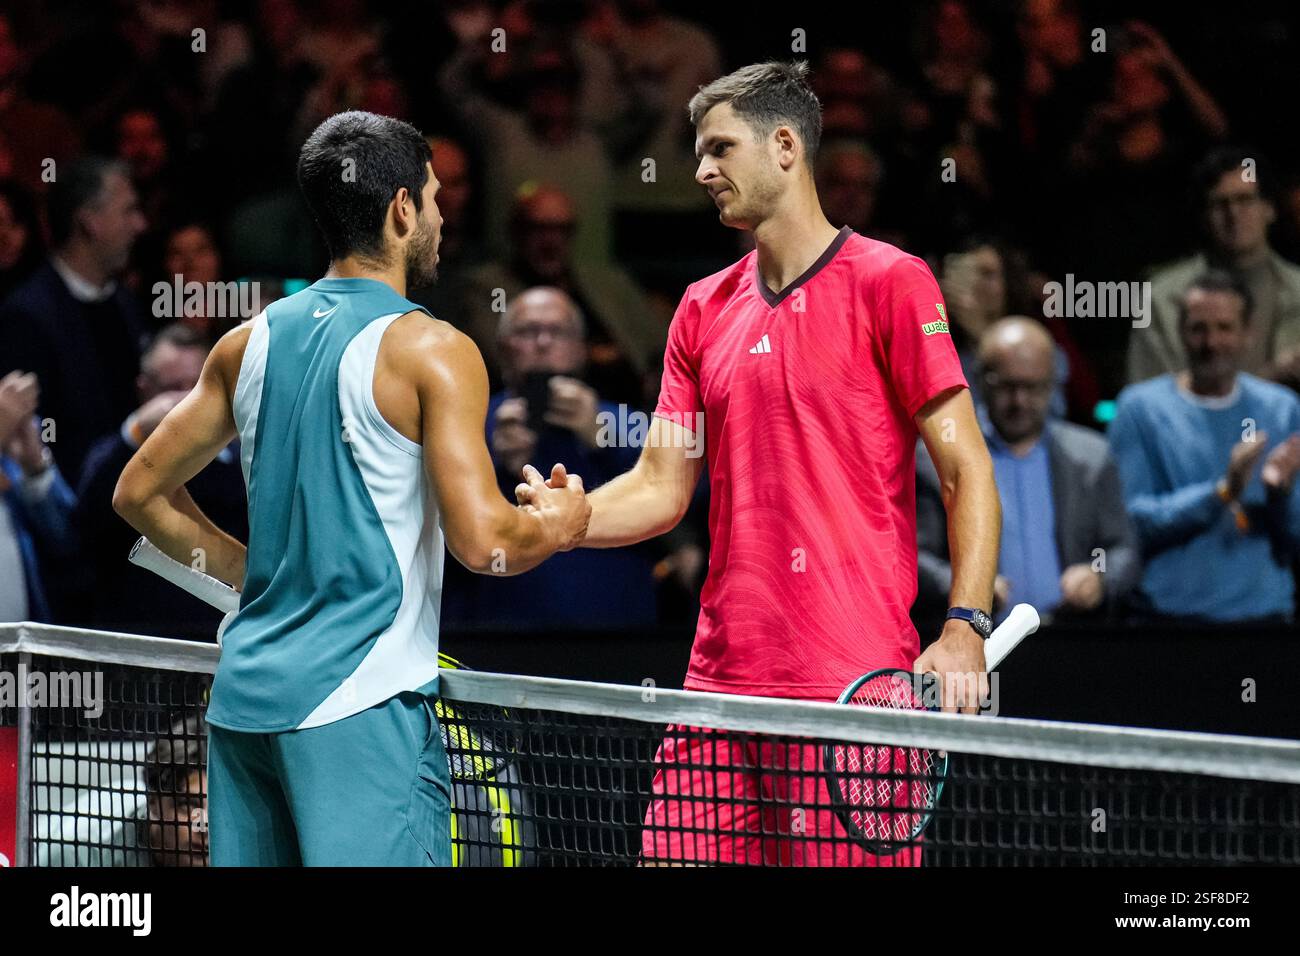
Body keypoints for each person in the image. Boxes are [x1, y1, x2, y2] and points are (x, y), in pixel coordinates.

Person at [518, 62, 1000, 866]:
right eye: (698, 152)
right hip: (718, 686)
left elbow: (965, 471)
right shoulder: (701, 308)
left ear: (784, 146)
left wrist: (964, 626)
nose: (702, 171)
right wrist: (574, 521)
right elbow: (661, 487)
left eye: (719, 149)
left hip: (851, 691)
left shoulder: (892, 281)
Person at [113, 110, 590, 867]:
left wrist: (250, 575)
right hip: (359, 708)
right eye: (432, 198)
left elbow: (138, 493)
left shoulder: (248, 341)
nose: (439, 216)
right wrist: (561, 522)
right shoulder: (434, 349)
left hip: (243, 711)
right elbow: (485, 542)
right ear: (402, 209)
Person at [445, 286, 655, 630]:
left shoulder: (624, 422)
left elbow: (686, 494)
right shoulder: (470, 424)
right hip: (500, 627)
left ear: (581, 348)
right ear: (502, 348)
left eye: (558, 331)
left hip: (618, 629)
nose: (542, 342)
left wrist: (606, 438)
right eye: (527, 331)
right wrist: (494, 463)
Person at [916, 318, 1140, 628]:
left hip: (1072, 639)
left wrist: (1098, 576)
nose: (1019, 401)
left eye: (1032, 387)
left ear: (1052, 384)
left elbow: (1121, 549)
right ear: (981, 382)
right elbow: (914, 557)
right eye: (1007, 386)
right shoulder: (940, 456)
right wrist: (969, 588)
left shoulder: (1091, 457)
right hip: (978, 642)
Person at [1110, 271, 1300, 623]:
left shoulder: (1281, 409)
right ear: (1181, 332)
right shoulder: (1141, 409)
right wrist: (1222, 492)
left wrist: (1280, 495)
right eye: (1199, 328)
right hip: (1169, 622)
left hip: (1264, 622)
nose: (1211, 342)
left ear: (1248, 333)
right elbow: (1130, 524)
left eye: (1225, 328)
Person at [76, 324, 246, 639]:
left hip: (219, 630)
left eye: (195, 387)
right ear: (144, 389)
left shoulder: (244, 455)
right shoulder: (113, 451)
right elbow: (84, 523)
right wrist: (134, 434)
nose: (183, 401)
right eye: (172, 387)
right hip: (136, 635)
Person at [0, 157, 149, 486]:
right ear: (89, 222)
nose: (140, 225)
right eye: (128, 211)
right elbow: (28, 440)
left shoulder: (124, 302)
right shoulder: (27, 316)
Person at [1128, 148, 1300, 386]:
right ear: (1204, 216)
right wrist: (1271, 376)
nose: (1234, 214)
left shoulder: (1297, 289)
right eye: (1220, 203)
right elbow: (1151, 402)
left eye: (1245, 200)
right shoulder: (1162, 297)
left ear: (1269, 209)